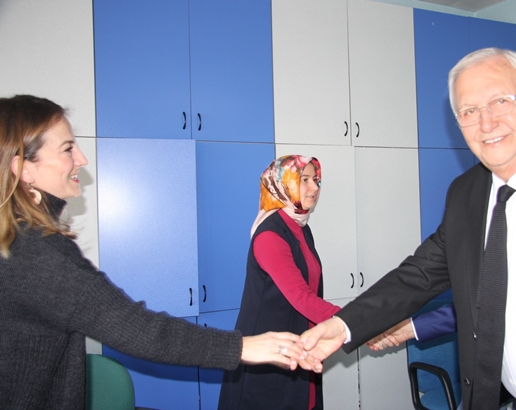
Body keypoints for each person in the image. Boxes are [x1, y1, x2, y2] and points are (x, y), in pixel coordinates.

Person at [301, 48, 516, 410]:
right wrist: (343, 326)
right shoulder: (465, 193)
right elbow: (418, 275)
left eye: (500, 101)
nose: (486, 123)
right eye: (469, 111)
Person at [0, 95, 306, 409]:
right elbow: (135, 328)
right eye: (67, 149)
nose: (82, 158)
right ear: (23, 169)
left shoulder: (19, 245)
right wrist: (242, 347)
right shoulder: (36, 255)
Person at [218, 155, 340, 410]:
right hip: (268, 358)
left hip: (300, 347)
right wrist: (356, 321)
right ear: (283, 184)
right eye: (304, 180)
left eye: (316, 180)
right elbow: (302, 298)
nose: (314, 187)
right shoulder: (270, 235)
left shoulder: (301, 228)